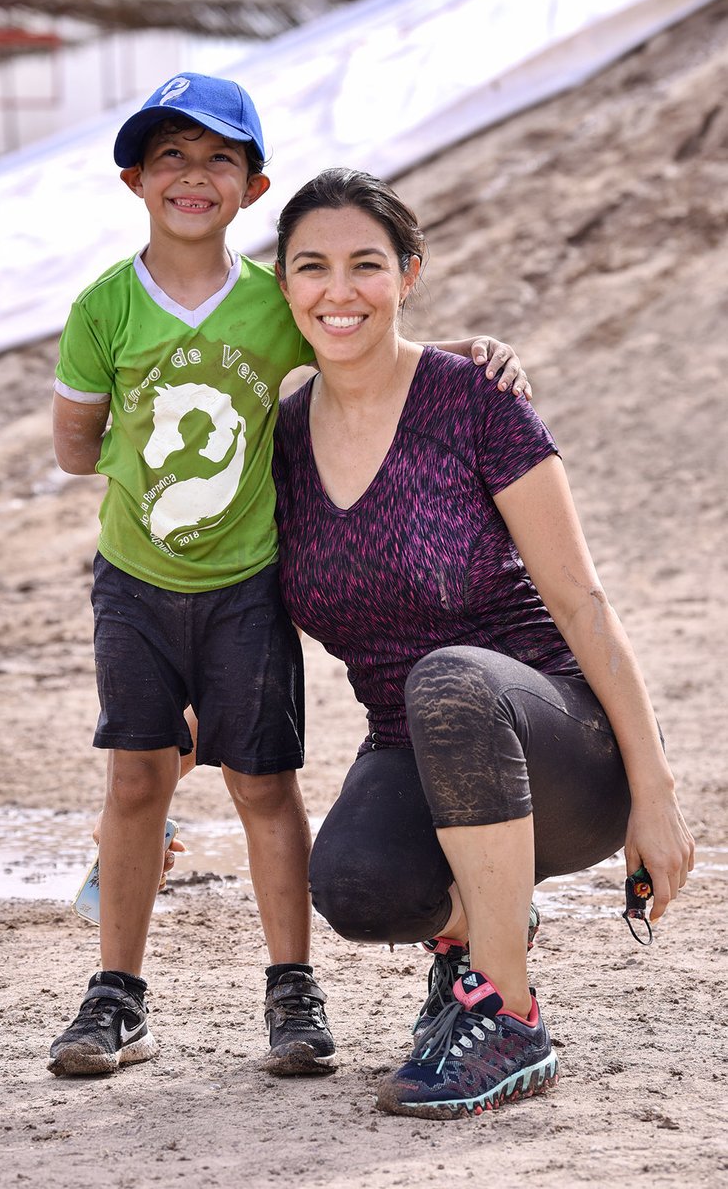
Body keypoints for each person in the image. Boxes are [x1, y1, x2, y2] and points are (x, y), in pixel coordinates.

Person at [48, 74, 528, 1079]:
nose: (192, 175)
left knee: (261, 785)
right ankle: (117, 995)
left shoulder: (274, 303)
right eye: (169, 157)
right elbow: (73, 447)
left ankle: (290, 992)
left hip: (247, 586)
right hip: (133, 584)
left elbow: (359, 342)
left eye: (218, 157)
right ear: (132, 177)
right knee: (137, 778)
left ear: (253, 187)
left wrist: (466, 352)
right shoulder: (101, 308)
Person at [271, 167, 695, 1119]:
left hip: (559, 746)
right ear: (285, 286)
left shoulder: (474, 399)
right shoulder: (282, 440)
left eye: (367, 265)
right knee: (356, 885)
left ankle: (508, 1013)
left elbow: (584, 602)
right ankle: (476, 928)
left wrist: (656, 795)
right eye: (314, 267)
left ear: (408, 275)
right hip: (415, 749)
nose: (341, 291)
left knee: (452, 680)